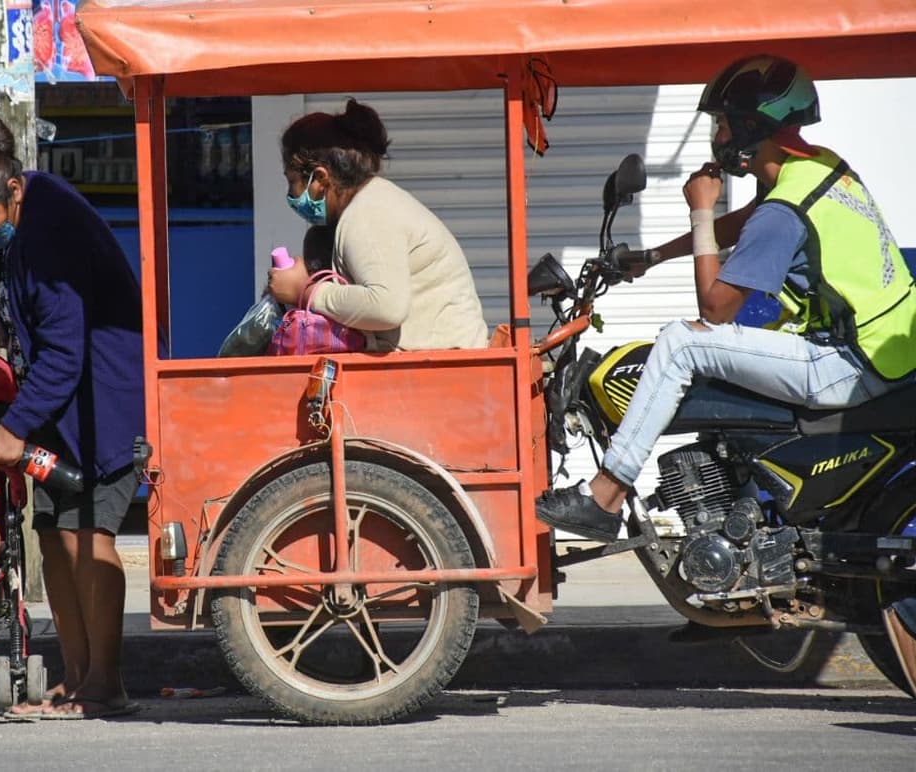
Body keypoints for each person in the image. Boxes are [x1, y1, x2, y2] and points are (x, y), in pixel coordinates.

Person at [537, 54, 916, 543]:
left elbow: (714, 310)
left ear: (748, 126)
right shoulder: (819, 167)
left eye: (720, 123)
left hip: (848, 364)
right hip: (886, 350)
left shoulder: (784, 211)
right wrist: (654, 255)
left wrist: (700, 209)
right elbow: (746, 223)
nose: (716, 136)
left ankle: (605, 495)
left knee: (681, 344)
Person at [0, 116, 145, 718]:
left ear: (14, 193)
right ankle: (76, 676)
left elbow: (64, 350)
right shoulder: (16, 234)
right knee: (54, 538)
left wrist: (14, 426)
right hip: (55, 408)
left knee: (90, 536)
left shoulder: (49, 229)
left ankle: (107, 682)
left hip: (101, 405)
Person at [267, 98, 489, 351]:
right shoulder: (359, 209)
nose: (290, 193)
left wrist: (305, 291)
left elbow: (386, 306)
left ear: (319, 178)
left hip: (446, 369)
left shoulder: (369, 213)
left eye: (292, 180)